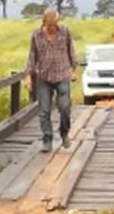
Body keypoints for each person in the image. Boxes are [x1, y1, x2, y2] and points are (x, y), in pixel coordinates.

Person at [25, 9, 78, 152]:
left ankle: (64, 133)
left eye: (54, 25)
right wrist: (28, 76)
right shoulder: (36, 35)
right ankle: (47, 139)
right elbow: (32, 56)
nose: (52, 28)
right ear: (44, 23)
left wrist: (74, 70)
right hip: (44, 76)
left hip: (62, 75)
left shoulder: (65, 32)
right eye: (49, 26)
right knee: (44, 110)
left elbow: (70, 50)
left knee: (65, 107)